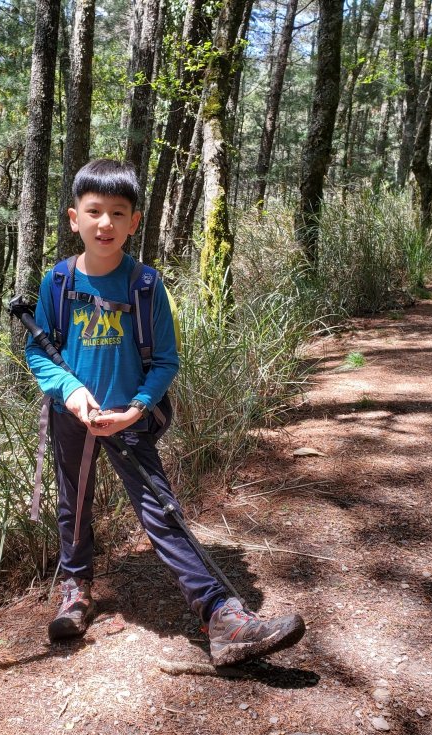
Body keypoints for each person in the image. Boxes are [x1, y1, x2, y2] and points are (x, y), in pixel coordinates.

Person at [25, 158, 305, 666]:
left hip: (129, 418)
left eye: (117, 212)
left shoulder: (147, 285)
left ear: (134, 221)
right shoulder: (57, 282)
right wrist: (68, 391)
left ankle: (221, 614)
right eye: (94, 212)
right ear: (74, 218)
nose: (105, 223)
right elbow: (40, 352)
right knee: (75, 502)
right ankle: (75, 587)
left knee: (162, 510)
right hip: (73, 416)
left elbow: (166, 361)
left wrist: (135, 409)